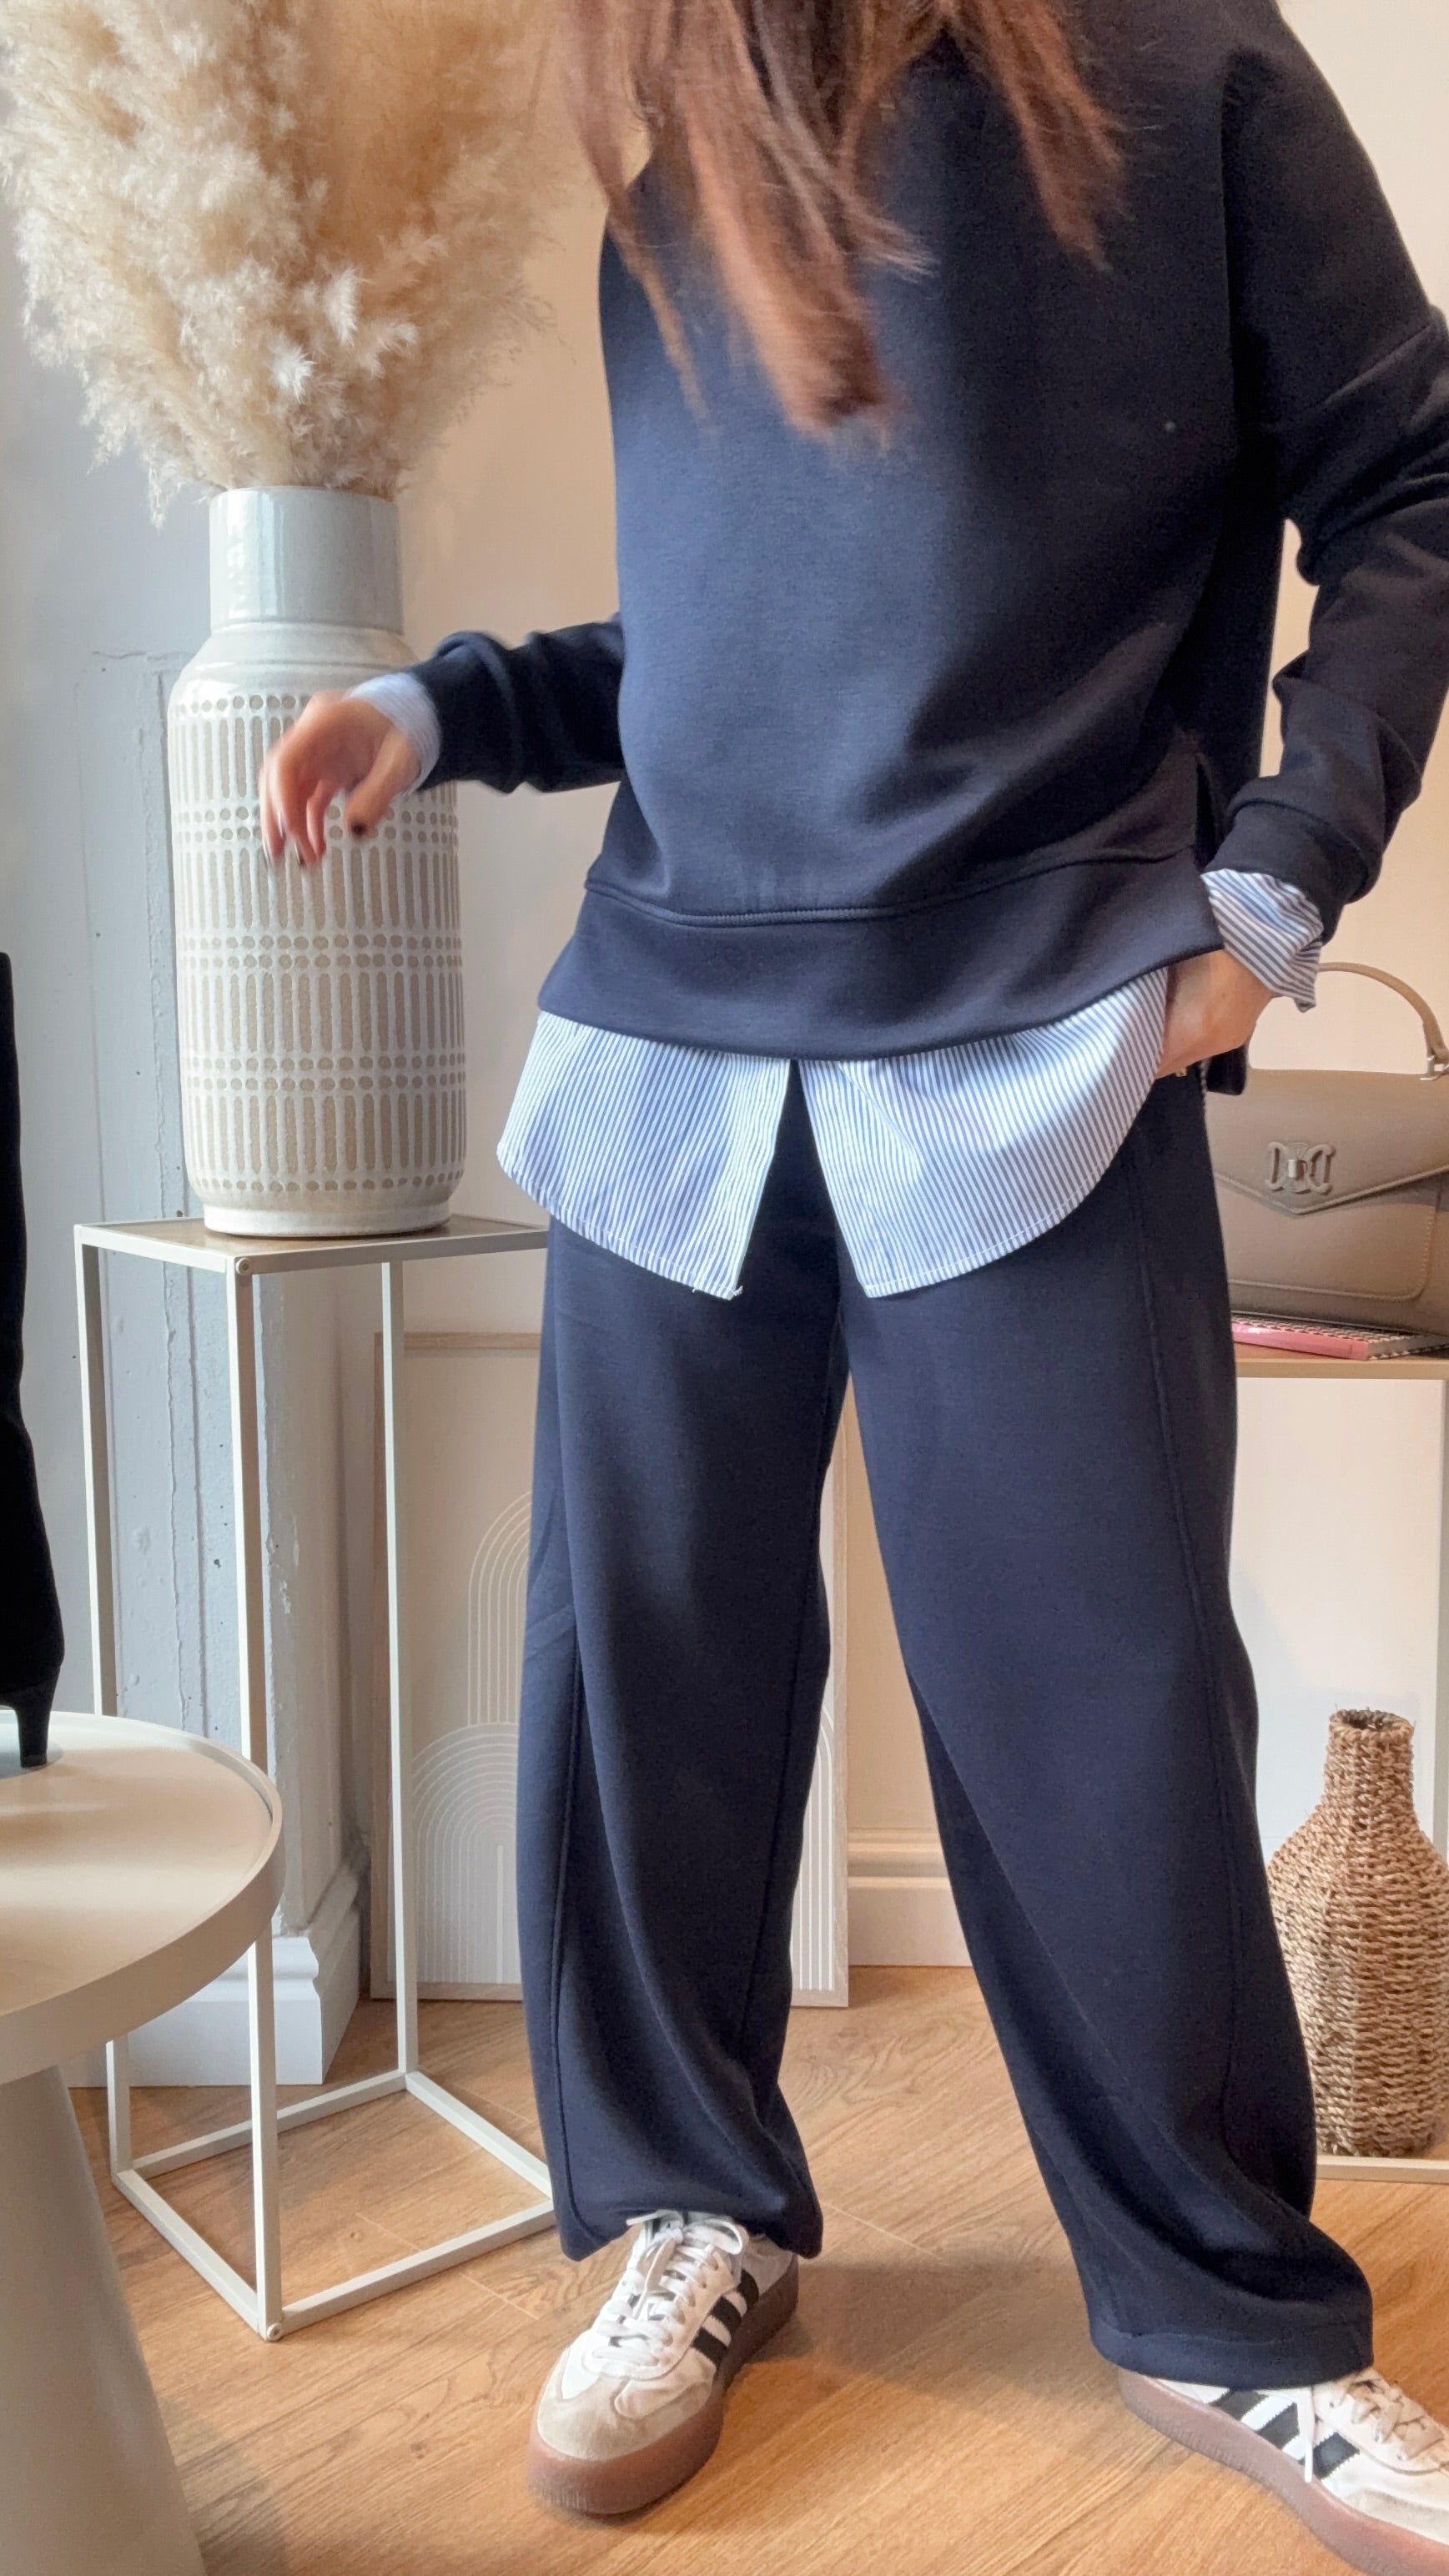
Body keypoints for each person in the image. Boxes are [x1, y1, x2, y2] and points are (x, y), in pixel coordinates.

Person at [260, 0, 1449, 2560]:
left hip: (1039, 1029)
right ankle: (684, 2211)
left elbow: (1416, 474)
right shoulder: (681, 129)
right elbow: (730, 664)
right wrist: (445, 707)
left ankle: (1224, 2307)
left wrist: (1276, 878)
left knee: (1099, 1693)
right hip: (670, 1033)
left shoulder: (1179, 68)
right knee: (641, 1674)